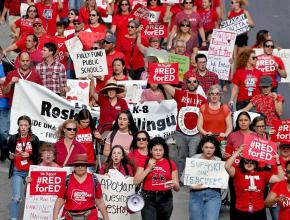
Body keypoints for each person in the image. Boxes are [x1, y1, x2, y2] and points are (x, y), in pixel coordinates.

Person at [163, 72, 207, 176]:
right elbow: (165, 85)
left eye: (194, 81)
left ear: (198, 84)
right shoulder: (180, 94)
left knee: (193, 157)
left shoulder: (203, 100)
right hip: (180, 133)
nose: (192, 83)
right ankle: (179, 178)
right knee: (181, 157)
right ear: (186, 83)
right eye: (189, 81)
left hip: (195, 134)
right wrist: (157, 72)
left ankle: (191, 179)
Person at [225, 145, 284, 220]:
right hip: (241, 210)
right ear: (242, 162)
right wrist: (238, 151)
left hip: (259, 210)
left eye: (252, 162)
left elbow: (280, 178)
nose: (249, 164)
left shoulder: (263, 174)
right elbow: (227, 166)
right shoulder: (237, 172)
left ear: (256, 163)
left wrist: (277, 161)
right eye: (246, 161)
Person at [134, 137, 180, 220]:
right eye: (155, 150)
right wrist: (148, 168)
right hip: (148, 199)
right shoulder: (144, 162)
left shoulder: (170, 163)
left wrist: (174, 183)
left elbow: (177, 188)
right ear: (151, 150)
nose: (158, 152)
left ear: (164, 151)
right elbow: (136, 181)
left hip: (166, 199)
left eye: (160, 150)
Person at [53, 154, 109, 220]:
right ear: (74, 166)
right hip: (70, 217)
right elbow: (60, 200)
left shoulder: (94, 179)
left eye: (83, 165)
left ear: (86, 166)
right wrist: (55, 217)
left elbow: (100, 201)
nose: (80, 167)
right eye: (77, 165)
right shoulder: (67, 180)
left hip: (90, 217)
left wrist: (106, 218)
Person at [5, 115, 40, 220]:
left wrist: (29, 155)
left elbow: (38, 156)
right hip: (17, 171)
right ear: (18, 126)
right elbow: (8, 152)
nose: (23, 127)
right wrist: (10, 156)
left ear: (29, 126)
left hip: (30, 172)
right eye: (21, 125)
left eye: (25, 125)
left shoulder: (34, 139)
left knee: (30, 198)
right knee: (16, 198)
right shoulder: (13, 138)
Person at [188, 136, 223, 220]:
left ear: (215, 149)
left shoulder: (218, 161)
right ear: (202, 148)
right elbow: (186, 177)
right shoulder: (194, 159)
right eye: (206, 147)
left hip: (213, 195)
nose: (209, 150)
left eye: (211, 148)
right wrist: (192, 186)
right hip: (196, 194)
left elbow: (222, 181)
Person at [265, 147, 290, 220]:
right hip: (276, 195)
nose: (285, 149)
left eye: (288, 147)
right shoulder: (273, 158)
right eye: (283, 147)